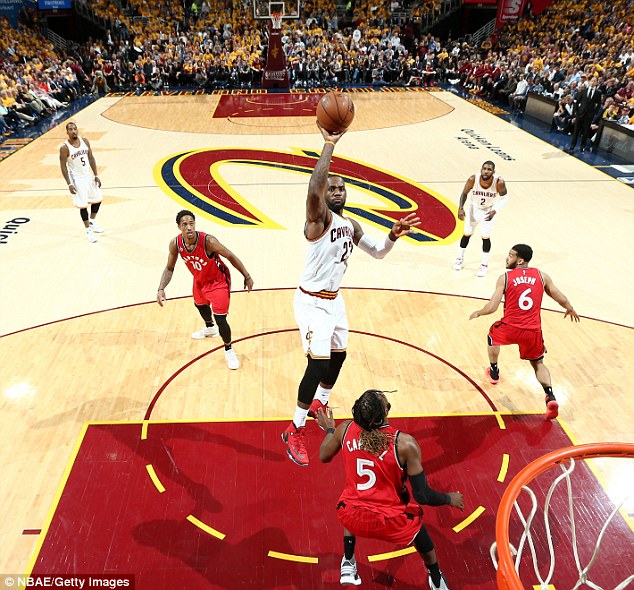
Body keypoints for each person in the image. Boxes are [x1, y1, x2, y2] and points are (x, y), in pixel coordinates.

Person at [281, 124, 420, 467]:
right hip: (311, 301)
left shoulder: (351, 225)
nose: (338, 191)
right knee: (318, 363)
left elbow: (378, 252)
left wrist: (393, 234)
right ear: (324, 195)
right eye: (332, 188)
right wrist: (328, 145)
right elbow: (314, 186)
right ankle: (294, 429)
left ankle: (320, 403)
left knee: (339, 358)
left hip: (334, 301)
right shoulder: (318, 219)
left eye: (342, 188)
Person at [317, 389, 463, 589]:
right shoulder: (405, 444)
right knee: (420, 530)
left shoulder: (345, 429)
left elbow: (323, 455)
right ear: (385, 413)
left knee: (352, 499)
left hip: (351, 517)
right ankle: (436, 578)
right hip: (391, 522)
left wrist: (330, 429)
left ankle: (349, 562)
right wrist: (449, 498)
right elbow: (422, 495)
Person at [469, 244, 580, 420]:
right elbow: (560, 297)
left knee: (492, 336)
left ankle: (494, 371)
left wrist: (479, 312)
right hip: (533, 331)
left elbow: (492, 307)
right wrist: (570, 308)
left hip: (510, 327)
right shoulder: (542, 276)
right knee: (538, 363)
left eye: (510, 255)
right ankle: (549, 395)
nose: (507, 258)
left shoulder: (505, 277)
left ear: (520, 260)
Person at [156, 209, 254, 370]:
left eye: (191, 223)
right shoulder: (175, 244)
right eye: (185, 224)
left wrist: (247, 275)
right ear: (179, 227)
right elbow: (169, 268)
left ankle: (229, 348)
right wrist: (161, 288)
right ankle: (210, 328)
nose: (189, 227)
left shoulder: (208, 241)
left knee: (221, 319)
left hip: (217, 281)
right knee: (199, 304)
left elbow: (230, 256)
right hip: (199, 280)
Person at [453, 161, 508, 277]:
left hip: (489, 210)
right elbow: (464, 193)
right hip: (474, 208)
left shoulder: (499, 182)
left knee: (485, 237)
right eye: (484, 169)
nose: (486, 171)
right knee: (467, 234)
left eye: (489, 169)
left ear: (494, 172)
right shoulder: (473, 179)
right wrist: (461, 208)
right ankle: (459, 258)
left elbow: (504, 198)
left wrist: (495, 210)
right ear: (481, 169)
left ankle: (484, 265)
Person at [59, 121, 104, 243]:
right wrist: (69, 183)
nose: (73, 131)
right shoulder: (64, 147)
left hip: (88, 175)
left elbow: (91, 157)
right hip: (77, 179)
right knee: (83, 205)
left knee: (98, 199)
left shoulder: (85, 141)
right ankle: (88, 230)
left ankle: (92, 222)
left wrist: (96, 175)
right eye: (70, 129)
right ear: (67, 132)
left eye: (75, 129)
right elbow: (63, 166)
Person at [567, 76, 602, 152]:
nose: (593, 82)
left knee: (585, 132)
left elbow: (599, 104)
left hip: (589, 116)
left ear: (596, 83)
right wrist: (576, 112)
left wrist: (594, 113)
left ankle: (582, 146)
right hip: (580, 114)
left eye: (594, 81)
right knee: (576, 130)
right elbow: (577, 102)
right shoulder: (583, 91)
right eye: (592, 81)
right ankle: (572, 145)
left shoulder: (598, 92)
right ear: (589, 82)